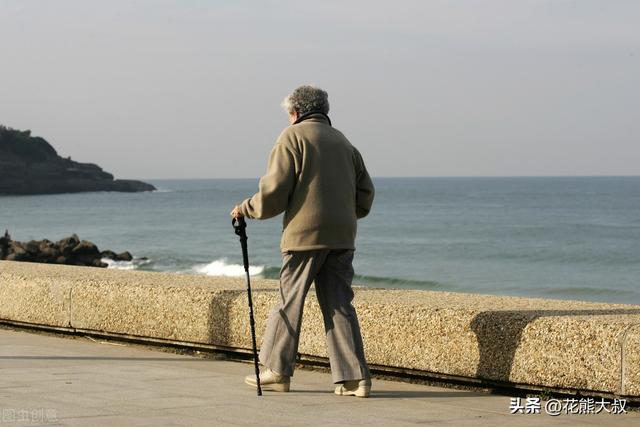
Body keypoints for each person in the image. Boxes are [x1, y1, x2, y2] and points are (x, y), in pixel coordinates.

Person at [230, 85, 375, 397]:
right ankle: (355, 378)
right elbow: (365, 196)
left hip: (304, 237)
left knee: (289, 301)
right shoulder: (345, 142)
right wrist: (343, 216)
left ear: (294, 113)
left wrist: (246, 208)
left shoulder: (291, 137)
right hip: (342, 236)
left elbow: (274, 193)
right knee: (339, 304)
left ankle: (276, 371)